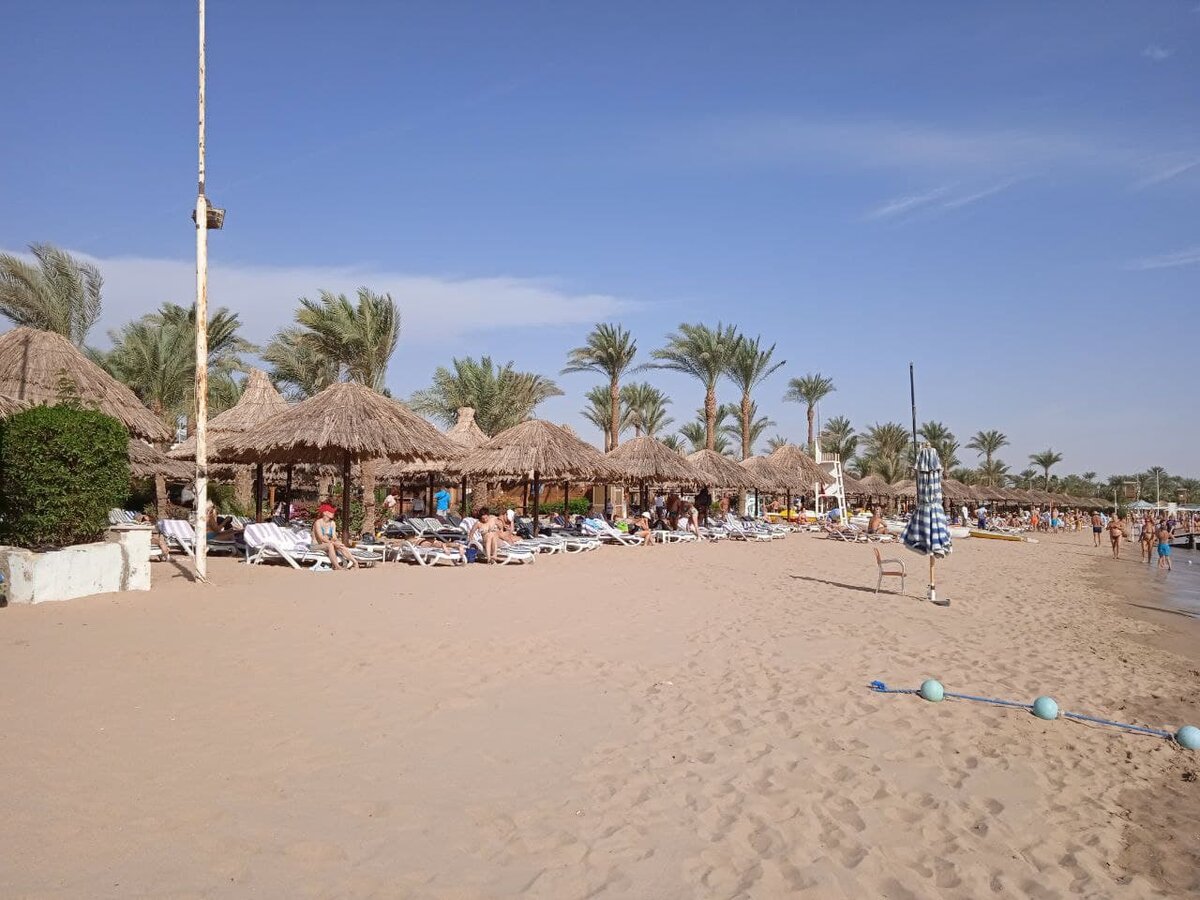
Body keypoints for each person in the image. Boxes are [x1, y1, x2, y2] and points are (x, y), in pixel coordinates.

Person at [312, 503, 358, 569]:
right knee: (330, 545)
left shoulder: (332, 523)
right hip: (316, 545)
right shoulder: (318, 523)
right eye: (331, 511)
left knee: (341, 545)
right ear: (324, 513)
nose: (333, 513)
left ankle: (355, 562)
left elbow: (334, 537)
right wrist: (333, 543)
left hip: (327, 544)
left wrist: (337, 542)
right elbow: (321, 537)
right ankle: (337, 566)